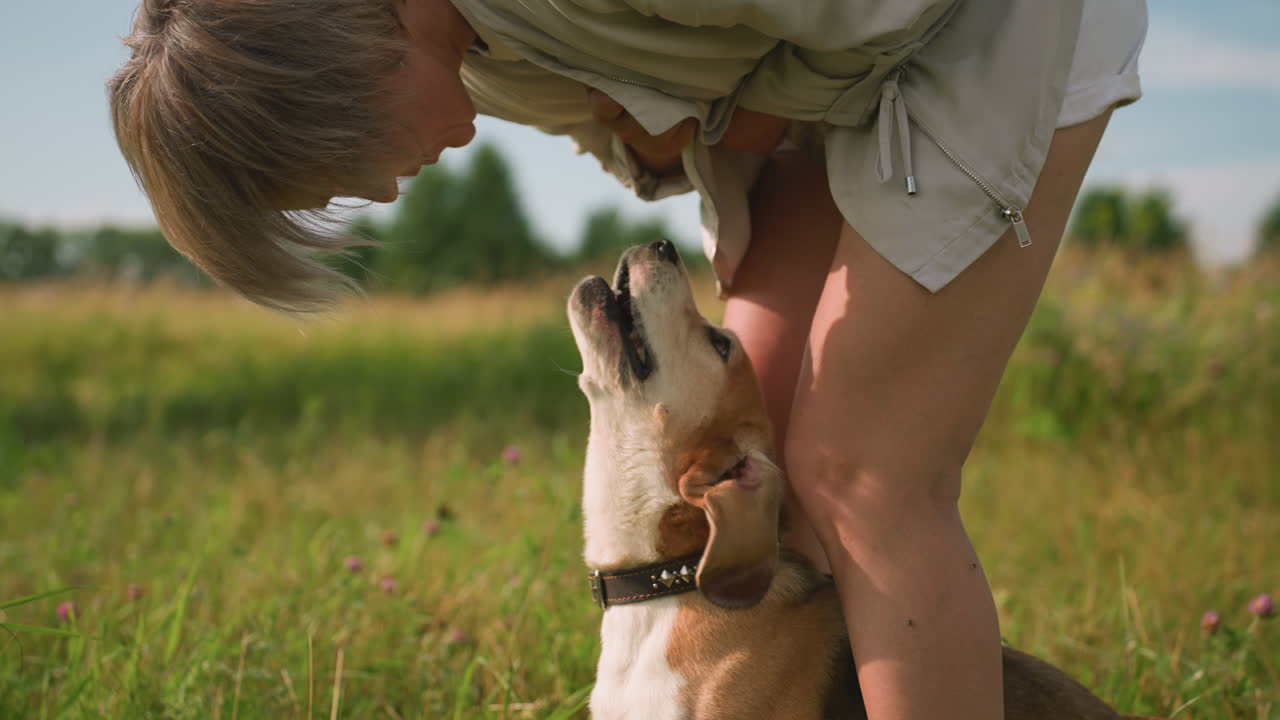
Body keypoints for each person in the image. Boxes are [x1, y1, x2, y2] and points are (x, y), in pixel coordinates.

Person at [108, 0, 1147, 717]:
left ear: (349, 77)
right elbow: (652, 94)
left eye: (337, 171)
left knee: (859, 472)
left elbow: (889, 11)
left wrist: (750, 108)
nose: (378, 195)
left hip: (983, 44)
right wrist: (655, 132)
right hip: (828, 101)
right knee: (752, 493)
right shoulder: (459, 42)